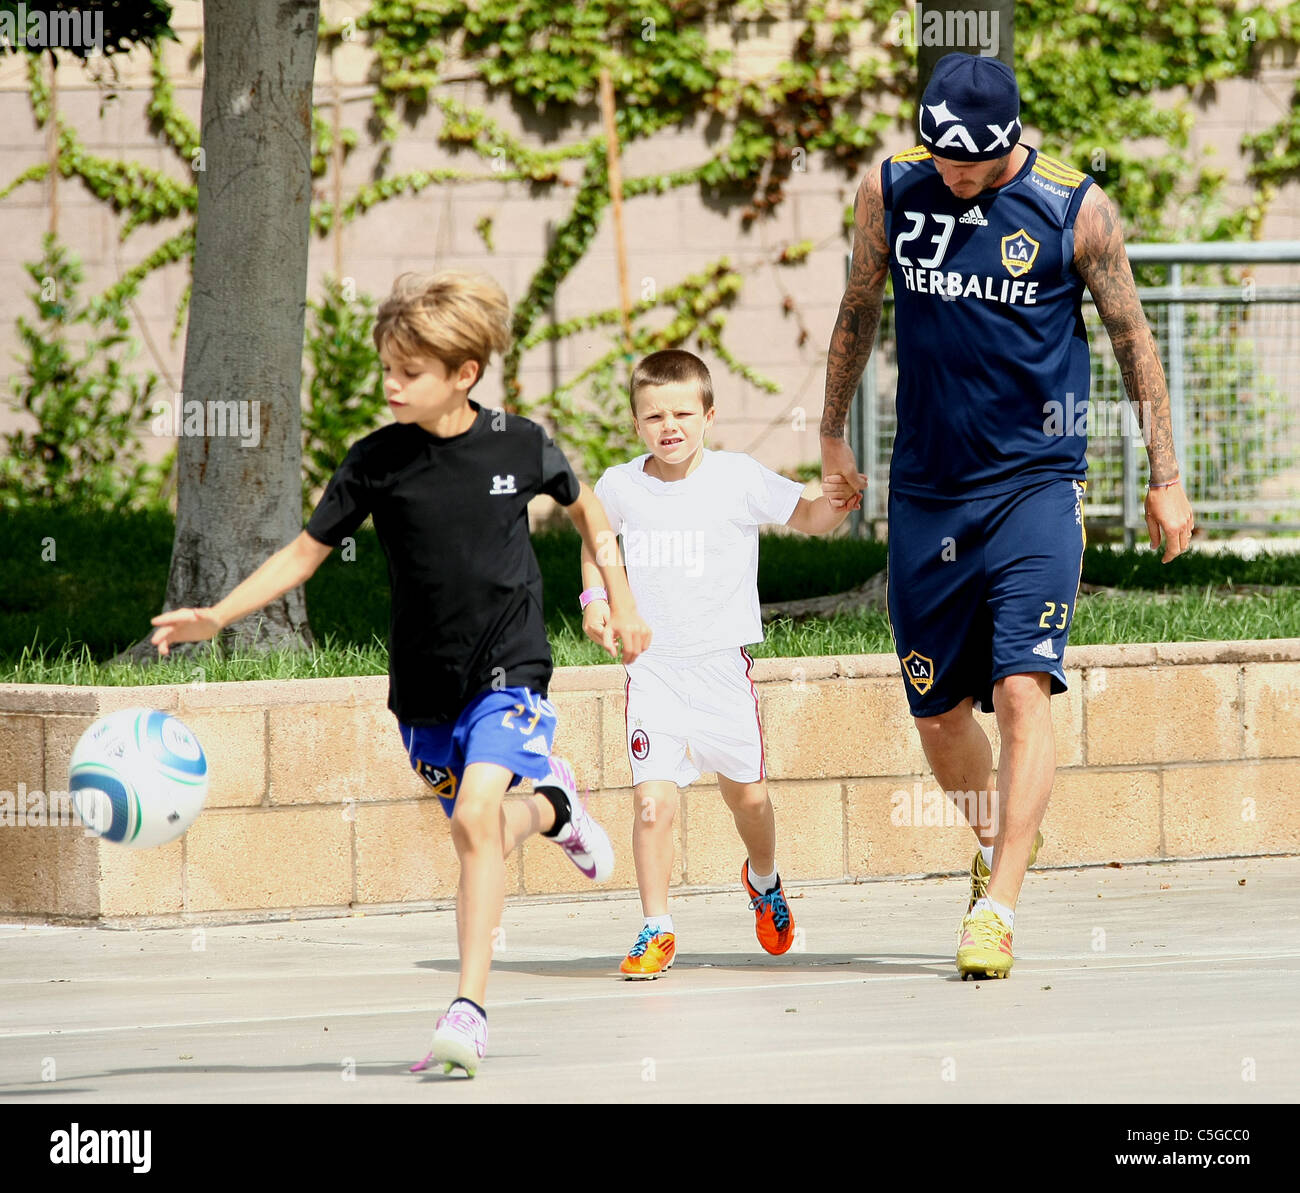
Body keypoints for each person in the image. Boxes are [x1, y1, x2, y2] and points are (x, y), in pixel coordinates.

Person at [151, 271, 652, 1073]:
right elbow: (302, 554)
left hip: (510, 667)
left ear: (463, 374)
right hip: (423, 688)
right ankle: (556, 808)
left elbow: (589, 509)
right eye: (387, 367)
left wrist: (611, 595)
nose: (391, 383)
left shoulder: (518, 443)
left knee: (471, 821)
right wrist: (217, 615)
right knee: (481, 822)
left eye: (408, 372)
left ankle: (469, 1010)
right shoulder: (375, 461)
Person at [819, 53, 1194, 979]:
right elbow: (859, 305)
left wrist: (1166, 475)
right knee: (942, 717)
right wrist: (829, 433)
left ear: (1008, 143)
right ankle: (996, 848)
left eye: (971, 163)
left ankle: (1001, 908)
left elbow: (1130, 335)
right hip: (928, 487)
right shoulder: (894, 189)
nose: (952, 172)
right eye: (940, 153)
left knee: (1025, 687)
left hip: (1035, 479)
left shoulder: (1074, 208)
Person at [581, 349, 850, 978]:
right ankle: (656, 927)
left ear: (709, 415)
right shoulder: (619, 485)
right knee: (653, 803)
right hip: (654, 670)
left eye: (681, 412)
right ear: (635, 423)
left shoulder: (738, 477)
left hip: (723, 671)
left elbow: (809, 516)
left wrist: (839, 500)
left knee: (749, 800)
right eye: (654, 416)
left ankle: (763, 881)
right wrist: (594, 598)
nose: (668, 426)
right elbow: (596, 542)